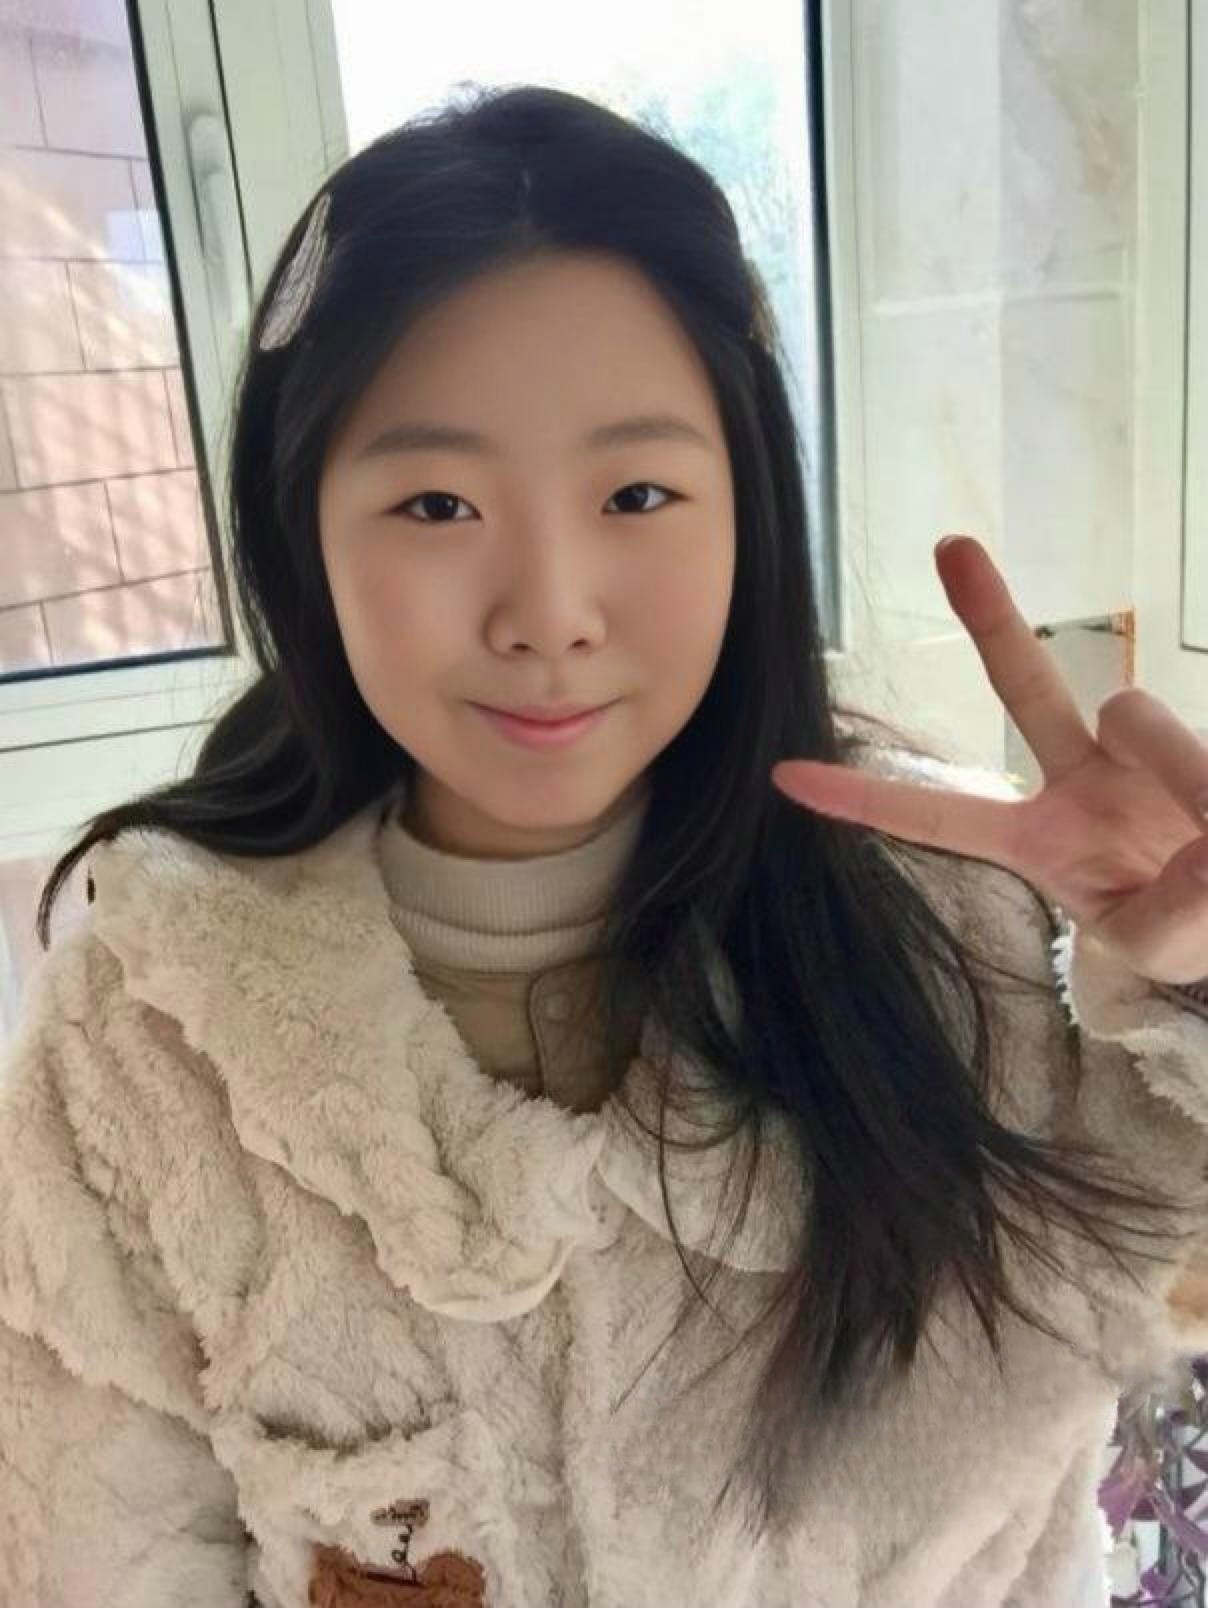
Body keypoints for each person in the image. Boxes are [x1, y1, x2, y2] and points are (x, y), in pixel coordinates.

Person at [1, 82, 1207, 1608]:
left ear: (747, 509)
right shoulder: (147, 1051)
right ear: (304, 533)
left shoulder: (957, 928)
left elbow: (1143, 1291)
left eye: (637, 492)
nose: (549, 611)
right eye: (435, 503)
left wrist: (1194, 988)